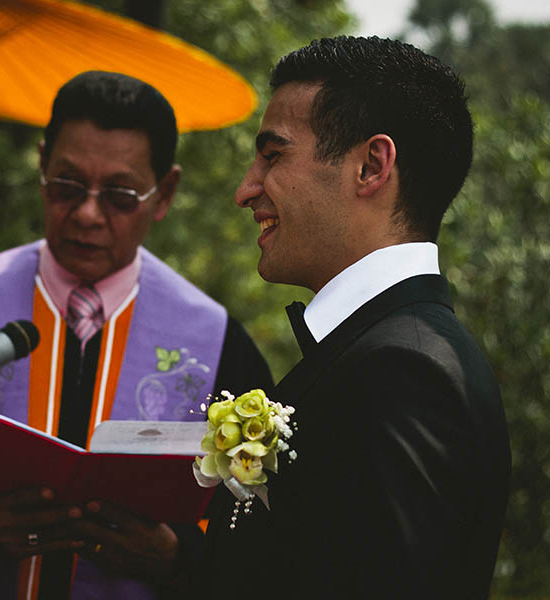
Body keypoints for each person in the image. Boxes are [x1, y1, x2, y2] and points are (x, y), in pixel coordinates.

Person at [0, 70, 273, 599]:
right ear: (41, 164)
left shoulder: (219, 345)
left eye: (119, 194)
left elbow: (257, 529)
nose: (87, 213)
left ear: (165, 193)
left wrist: (178, 553)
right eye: (67, 185)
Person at [197, 36, 511, 598]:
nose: (247, 189)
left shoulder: (405, 372)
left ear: (371, 166)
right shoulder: (387, 348)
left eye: (273, 155)